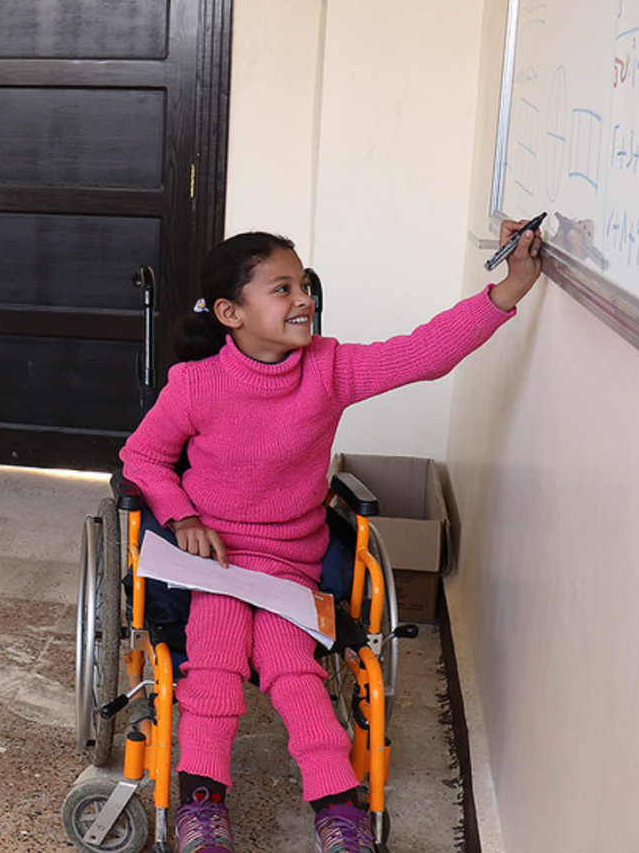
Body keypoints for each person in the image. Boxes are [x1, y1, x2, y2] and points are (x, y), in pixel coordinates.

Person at [119, 220, 543, 853]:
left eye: (305, 284)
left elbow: (424, 353)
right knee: (215, 663)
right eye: (282, 288)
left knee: (296, 670)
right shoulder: (196, 384)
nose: (304, 300)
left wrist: (509, 288)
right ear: (231, 313)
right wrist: (183, 517)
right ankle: (202, 805)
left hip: (291, 562)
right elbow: (144, 458)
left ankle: (337, 809)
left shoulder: (329, 368)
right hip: (218, 564)